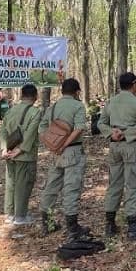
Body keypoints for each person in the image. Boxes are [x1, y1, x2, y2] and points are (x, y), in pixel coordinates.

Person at [98, 72, 136, 240]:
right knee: (133, 183)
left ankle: (110, 224)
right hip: (131, 145)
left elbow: (100, 123)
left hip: (114, 147)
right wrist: (127, 134)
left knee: (114, 183)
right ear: (133, 84)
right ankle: (134, 227)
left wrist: (111, 133)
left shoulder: (111, 102)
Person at [39, 78, 90, 240]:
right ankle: (72, 228)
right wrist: (64, 144)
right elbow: (79, 128)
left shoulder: (53, 107)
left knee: (51, 186)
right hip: (72, 152)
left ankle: (47, 223)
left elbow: (41, 129)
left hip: (56, 154)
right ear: (76, 92)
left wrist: (52, 145)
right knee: (71, 188)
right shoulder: (77, 106)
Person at [0, 84, 42, 225]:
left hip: (10, 152)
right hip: (25, 155)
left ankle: (10, 214)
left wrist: (4, 149)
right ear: (35, 96)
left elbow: (4, 131)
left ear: (22, 95)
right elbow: (30, 133)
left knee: (11, 183)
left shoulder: (10, 111)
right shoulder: (35, 112)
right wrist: (21, 149)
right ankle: (20, 216)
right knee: (23, 184)